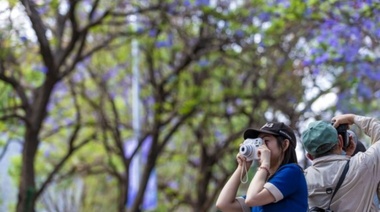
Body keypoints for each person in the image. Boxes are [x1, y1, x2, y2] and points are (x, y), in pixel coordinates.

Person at [216, 122, 308, 212]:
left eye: (265, 141)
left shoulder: (292, 171)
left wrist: (264, 165)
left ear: (284, 145)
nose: (260, 146)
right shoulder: (263, 186)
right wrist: (242, 166)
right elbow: (224, 204)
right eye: (257, 142)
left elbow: (251, 199)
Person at [302, 114, 380, 211]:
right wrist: (352, 118)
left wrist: (346, 158)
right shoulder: (362, 165)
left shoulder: (301, 179)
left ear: (309, 156)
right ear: (340, 141)